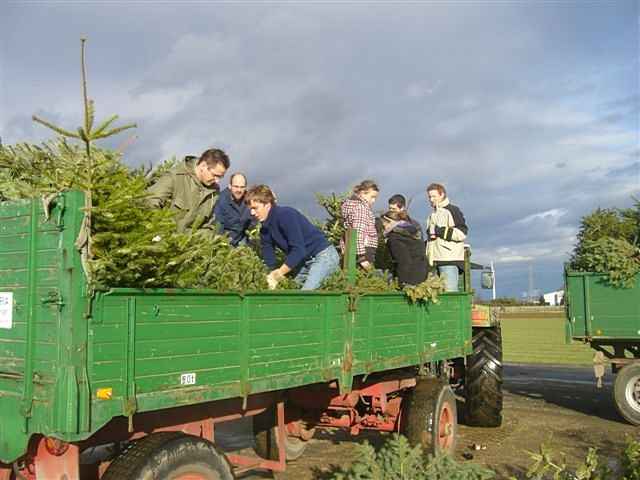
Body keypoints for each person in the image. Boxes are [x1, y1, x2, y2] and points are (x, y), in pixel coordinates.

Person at [246, 185, 340, 290]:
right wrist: (269, 277)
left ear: (267, 205)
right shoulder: (265, 230)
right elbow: (269, 260)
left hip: (323, 256)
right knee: (291, 291)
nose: (252, 213)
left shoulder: (285, 215)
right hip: (304, 262)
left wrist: (278, 275)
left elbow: (298, 250)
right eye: (250, 209)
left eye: (255, 208)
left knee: (305, 295)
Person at [147, 148, 230, 232]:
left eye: (220, 177)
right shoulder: (175, 177)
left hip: (190, 243)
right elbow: (150, 202)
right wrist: (164, 231)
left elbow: (208, 226)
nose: (217, 180)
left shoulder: (214, 192)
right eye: (215, 175)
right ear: (203, 166)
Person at [425, 183, 468, 292]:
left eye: (434, 196)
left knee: (450, 294)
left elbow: (462, 233)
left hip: (449, 260)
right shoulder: (432, 214)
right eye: (429, 197)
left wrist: (439, 231)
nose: (431, 199)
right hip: (434, 261)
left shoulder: (453, 210)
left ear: (442, 195)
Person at [380, 210, 427, 286]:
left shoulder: (394, 238)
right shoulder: (412, 232)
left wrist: (401, 282)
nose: (383, 228)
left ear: (390, 222)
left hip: (408, 278)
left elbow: (403, 261)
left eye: (384, 225)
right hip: (421, 273)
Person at [341, 180, 379, 270]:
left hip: (353, 248)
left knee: (353, 278)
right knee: (364, 280)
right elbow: (358, 231)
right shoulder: (360, 208)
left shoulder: (353, 206)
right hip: (364, 249)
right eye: (372, 197)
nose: (373, 201)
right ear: (362, 193)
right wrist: (362, 257)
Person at [213, 173, 255, 246]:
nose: (239, 190)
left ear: (245, 187)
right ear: (230, 186)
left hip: (243, 238)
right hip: (226, 239)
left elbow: (254, 221)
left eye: (242, 187)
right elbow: (219, 227)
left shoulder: (250, 200)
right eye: (236, 186)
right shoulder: (221, 201)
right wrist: (224, 245)